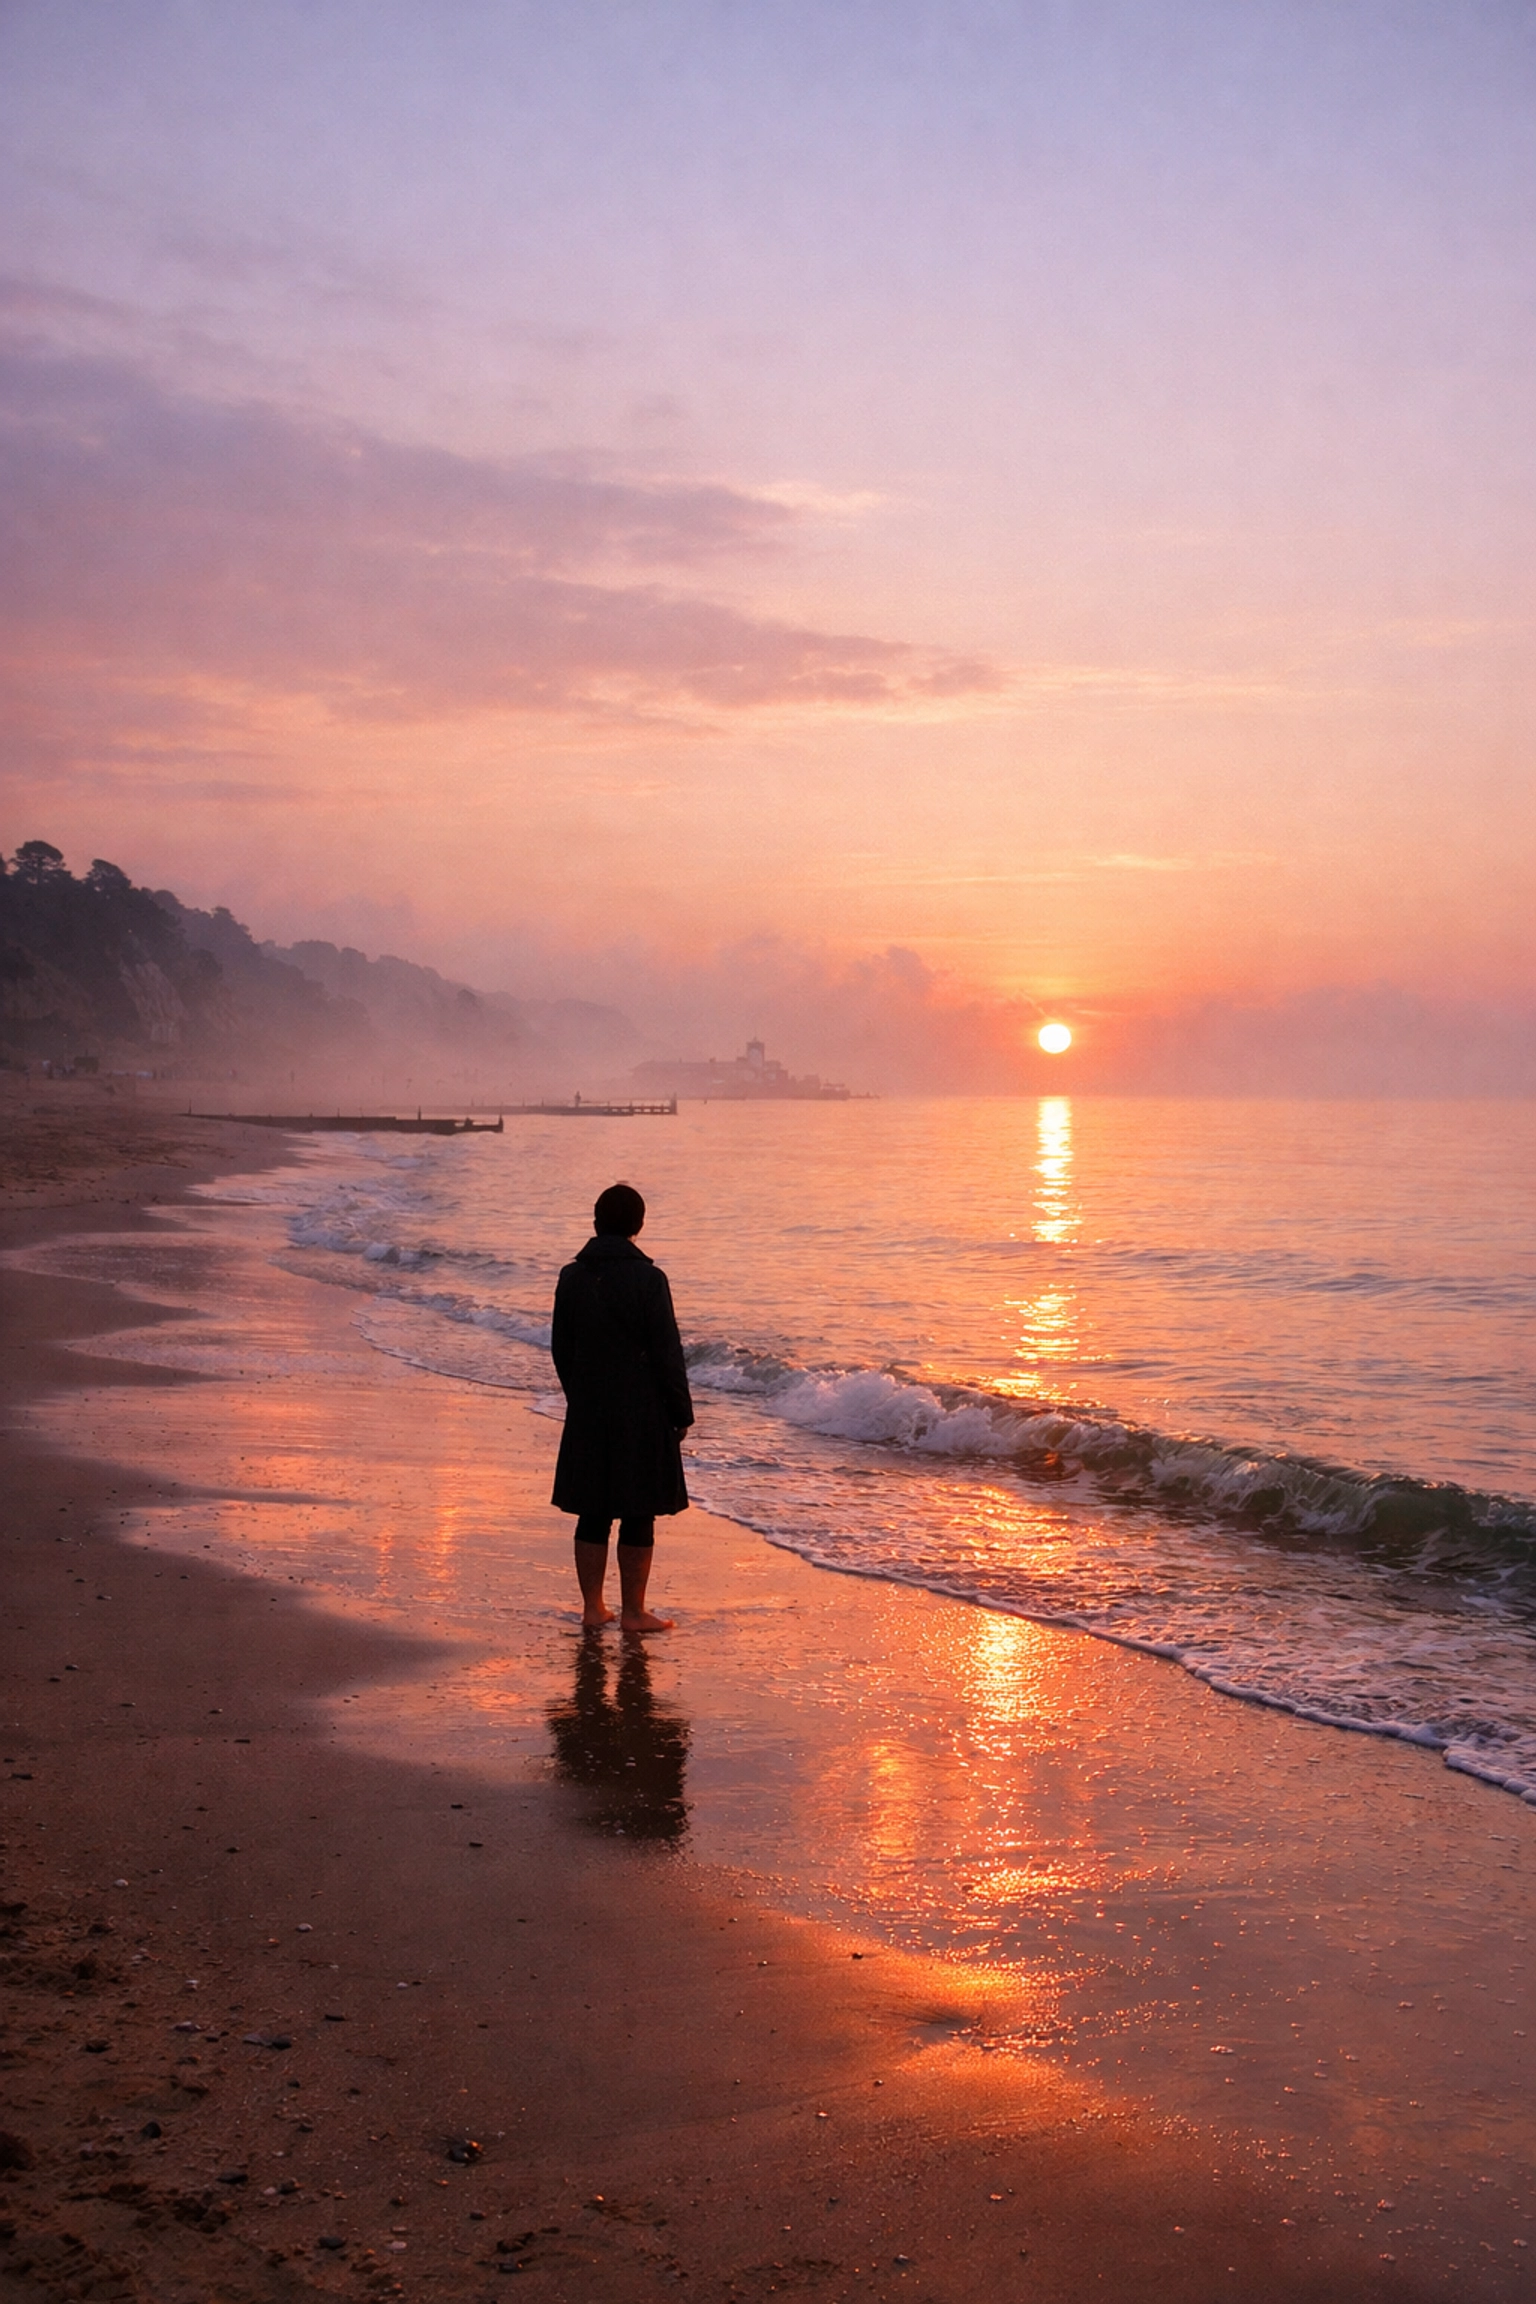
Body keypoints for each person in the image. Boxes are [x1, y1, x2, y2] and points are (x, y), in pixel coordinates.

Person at [550, 1181, 694, 1633]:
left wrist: (580, 1394)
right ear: (639, 1225)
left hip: (589, 1407)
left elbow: (560, 1348)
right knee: (638, 1511)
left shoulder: (571, 1276)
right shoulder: (649, 1280)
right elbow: (667, 1352)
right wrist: (680, 1413)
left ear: (595, 1222)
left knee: (592, 1510)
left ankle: (593, 1609)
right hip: (643, 1411)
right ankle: (633, 1612)